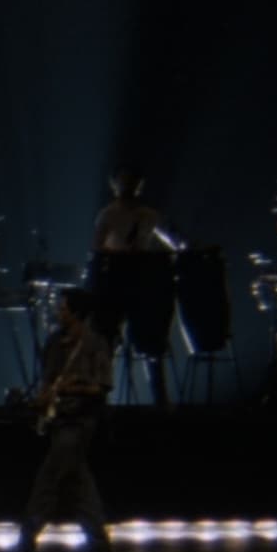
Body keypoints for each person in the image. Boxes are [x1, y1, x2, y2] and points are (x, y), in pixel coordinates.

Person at [11, 288, 114, 552]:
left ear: (77, 313)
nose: (59, 312)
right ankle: (100, 551)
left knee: (48, 482)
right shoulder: (55, 343)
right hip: (58, 422)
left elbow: (102, 387)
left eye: (64, 308)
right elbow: (47, 382)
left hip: (79, 424)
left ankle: (26, 543)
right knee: (80, 488)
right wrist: (41, 401)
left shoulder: (94, 344)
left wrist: (73, 388)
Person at [91, 168, 177, 406]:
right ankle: (101, 396)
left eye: (133, 182)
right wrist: (120, 254)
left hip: (142, 279)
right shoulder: (108, 214)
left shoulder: (149, 215)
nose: (129, 186)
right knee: (109, 338)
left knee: (151, 339)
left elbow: (172, 239)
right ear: (115, 185)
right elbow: (97, 247)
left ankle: (160, 399)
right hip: (115, 279)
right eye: (124, 181)